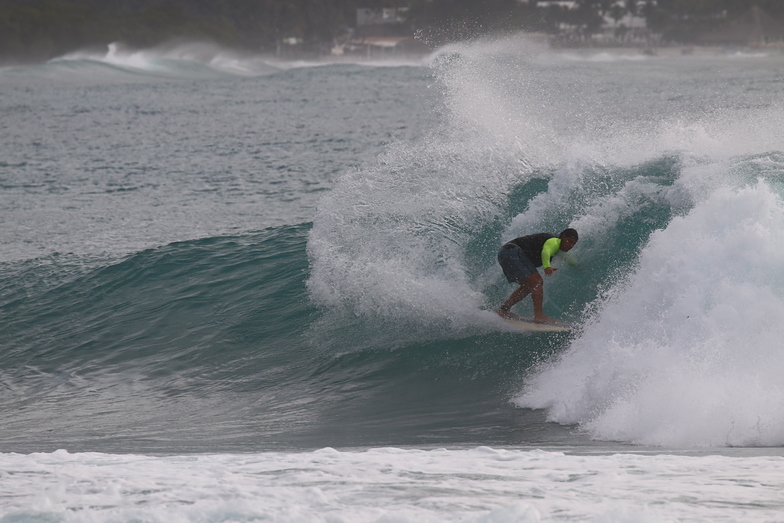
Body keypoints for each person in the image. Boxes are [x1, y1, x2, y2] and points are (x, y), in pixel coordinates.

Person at [496, 228, 578, 323]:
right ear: (563, 237)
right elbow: (546, 252)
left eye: (573, 244)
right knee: (537, 282)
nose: (570, 246)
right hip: (512, 252)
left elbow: (569, 259)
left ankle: (504, 310)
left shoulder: (557, 247)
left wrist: (578, 267)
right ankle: (539, 316)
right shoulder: (554, 241)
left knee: (529, 285)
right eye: (569, 241)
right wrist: (547, 267)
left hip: (506, 253)